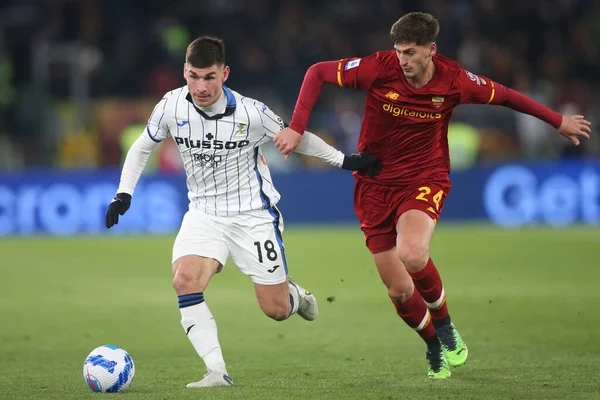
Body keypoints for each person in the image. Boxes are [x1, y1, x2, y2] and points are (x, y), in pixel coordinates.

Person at [273, 12, 591, 379]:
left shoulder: (455, 80)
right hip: (374, 184)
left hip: (425, 177)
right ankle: (432, 345)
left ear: (431, 50)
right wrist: (296, 127)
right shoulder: (378, 67)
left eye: (410, 52)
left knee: (412, 253)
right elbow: (317, 72)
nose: (402, 60)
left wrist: (558, 121)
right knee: (399, 291)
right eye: (398, 51)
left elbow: (506, 96)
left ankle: (445, 325)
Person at [104, 36, 380, 388]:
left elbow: (296, 136)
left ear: (224, 74)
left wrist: (345, 161)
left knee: (275, 309)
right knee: (184, 279)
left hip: (253, 216)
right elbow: (143, 146)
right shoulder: (171, 105)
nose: (200, 86)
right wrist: (123, 194)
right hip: (203, 212)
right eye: (193, 76)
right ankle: (216, 371)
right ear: (184, 72)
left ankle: (296, 296)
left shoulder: (251, 112)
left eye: (209, 77)